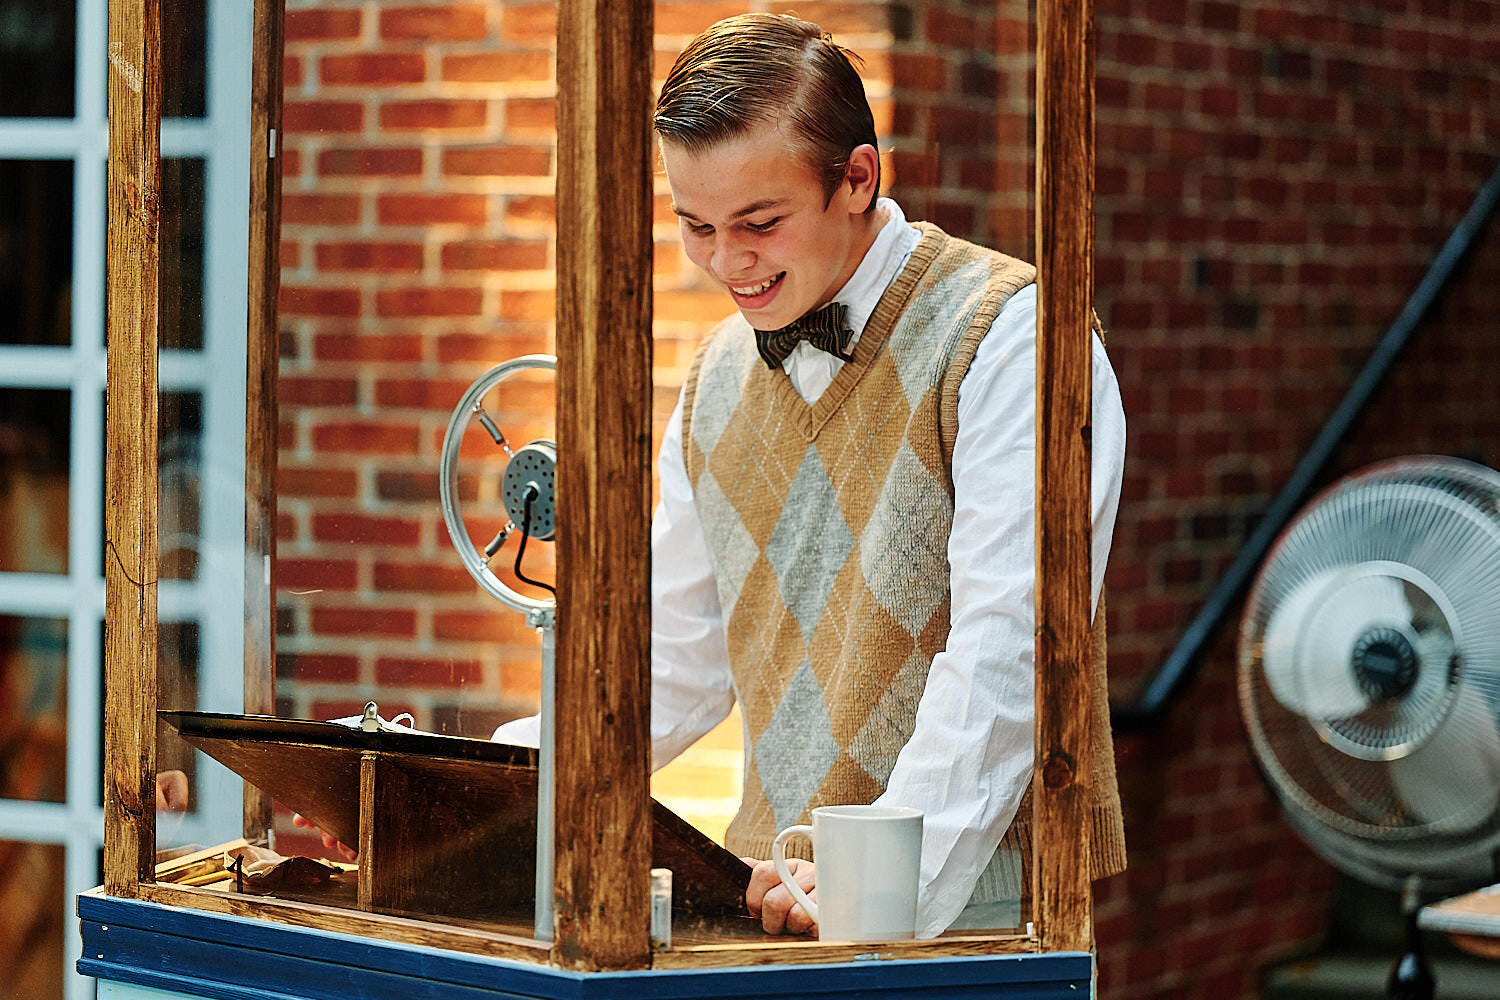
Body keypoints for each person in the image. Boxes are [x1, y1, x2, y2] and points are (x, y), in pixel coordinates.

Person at [498, 12, 1127, 938]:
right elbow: (664, 664)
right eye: (696, 227)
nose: (726, 262)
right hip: (766, 901)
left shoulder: (1015, 339)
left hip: (974, 906)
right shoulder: (713, 378)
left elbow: (1013, 656)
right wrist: (456, 797)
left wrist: (877, 886)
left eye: (759, 223)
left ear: (858, 178)